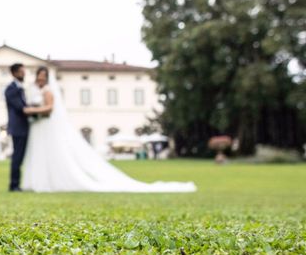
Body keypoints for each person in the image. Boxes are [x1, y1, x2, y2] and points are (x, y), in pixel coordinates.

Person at [21, 67, 196, 193]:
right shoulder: (35, 90)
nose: (41, 78)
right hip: (38, 127)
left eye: (44, 76)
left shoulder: (48, 91)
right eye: (39, 75)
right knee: (40, 153)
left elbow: (49, 109)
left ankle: (48, 182)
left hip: (44, 124)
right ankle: (39, 181)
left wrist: (31, 110)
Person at [4, 63, 30, 191]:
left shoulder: (19, 88)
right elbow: (21, 108)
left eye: (24, 71)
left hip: (22, 127)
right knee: (17, 157)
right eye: (21, 72)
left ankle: (16, 184)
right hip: (18, 128)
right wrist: (37, 110)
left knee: (20, 156)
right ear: (14, 73)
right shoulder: (11, 89)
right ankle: (14, 185)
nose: (24, 74)